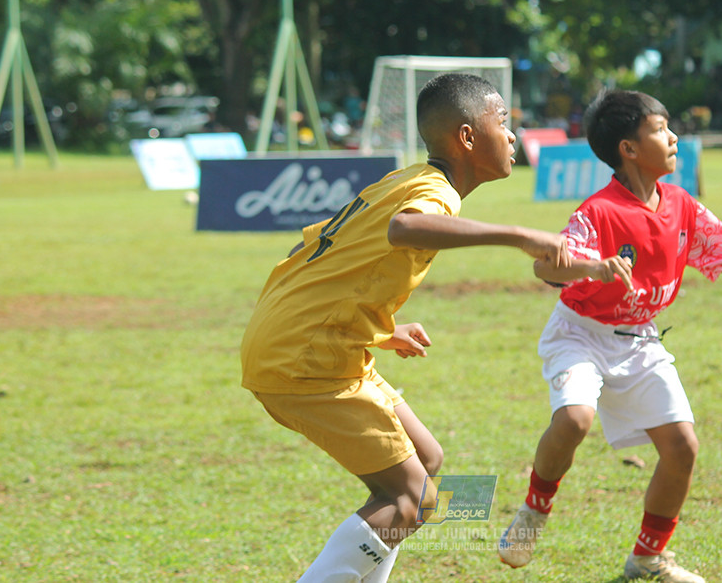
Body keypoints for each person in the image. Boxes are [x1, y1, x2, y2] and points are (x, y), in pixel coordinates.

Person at [240, 73, 571, 583]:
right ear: (466, 138)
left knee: (426, 460)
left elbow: (311, 252)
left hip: (311, 341)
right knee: (412, 498)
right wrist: (519, 234)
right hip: (307, 357)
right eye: (502, 122)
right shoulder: (434, 194)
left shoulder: (407, 178)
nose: (511, 135)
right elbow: (404, 230)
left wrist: (379, 327)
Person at [497, 89, 722, 582]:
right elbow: (546, 267)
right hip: (581, 335)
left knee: (683, 448)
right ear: (628, 149)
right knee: (574, 420)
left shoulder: (682, 205)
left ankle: (648, 559)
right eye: (660, 129)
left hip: (640, 339)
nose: (674, 137)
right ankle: (534, 510)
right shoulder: (598, 212)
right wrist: (594, 266)